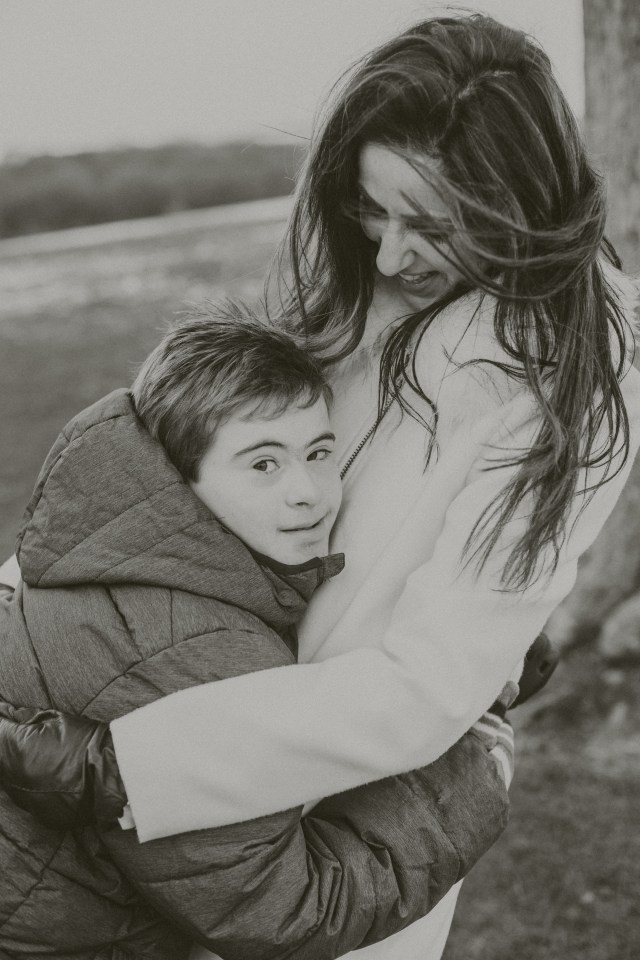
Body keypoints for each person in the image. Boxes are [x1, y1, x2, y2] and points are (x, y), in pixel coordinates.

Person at [1, 12, 639, 959]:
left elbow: (423, 684)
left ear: (519, 203)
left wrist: (126, 768)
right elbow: (168, 484)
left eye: (432, 224)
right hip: (173, 720)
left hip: (324, 821)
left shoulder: (569, 365)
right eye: (371, 210)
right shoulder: (361, 295)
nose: (389, 254)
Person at [0, 305, 510, 959]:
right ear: (182, 476)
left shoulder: (105, 553)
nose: (310, 492)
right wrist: (468, 772)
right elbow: (286, 916)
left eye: (319, 452)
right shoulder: (196, 652)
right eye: (263, 464)